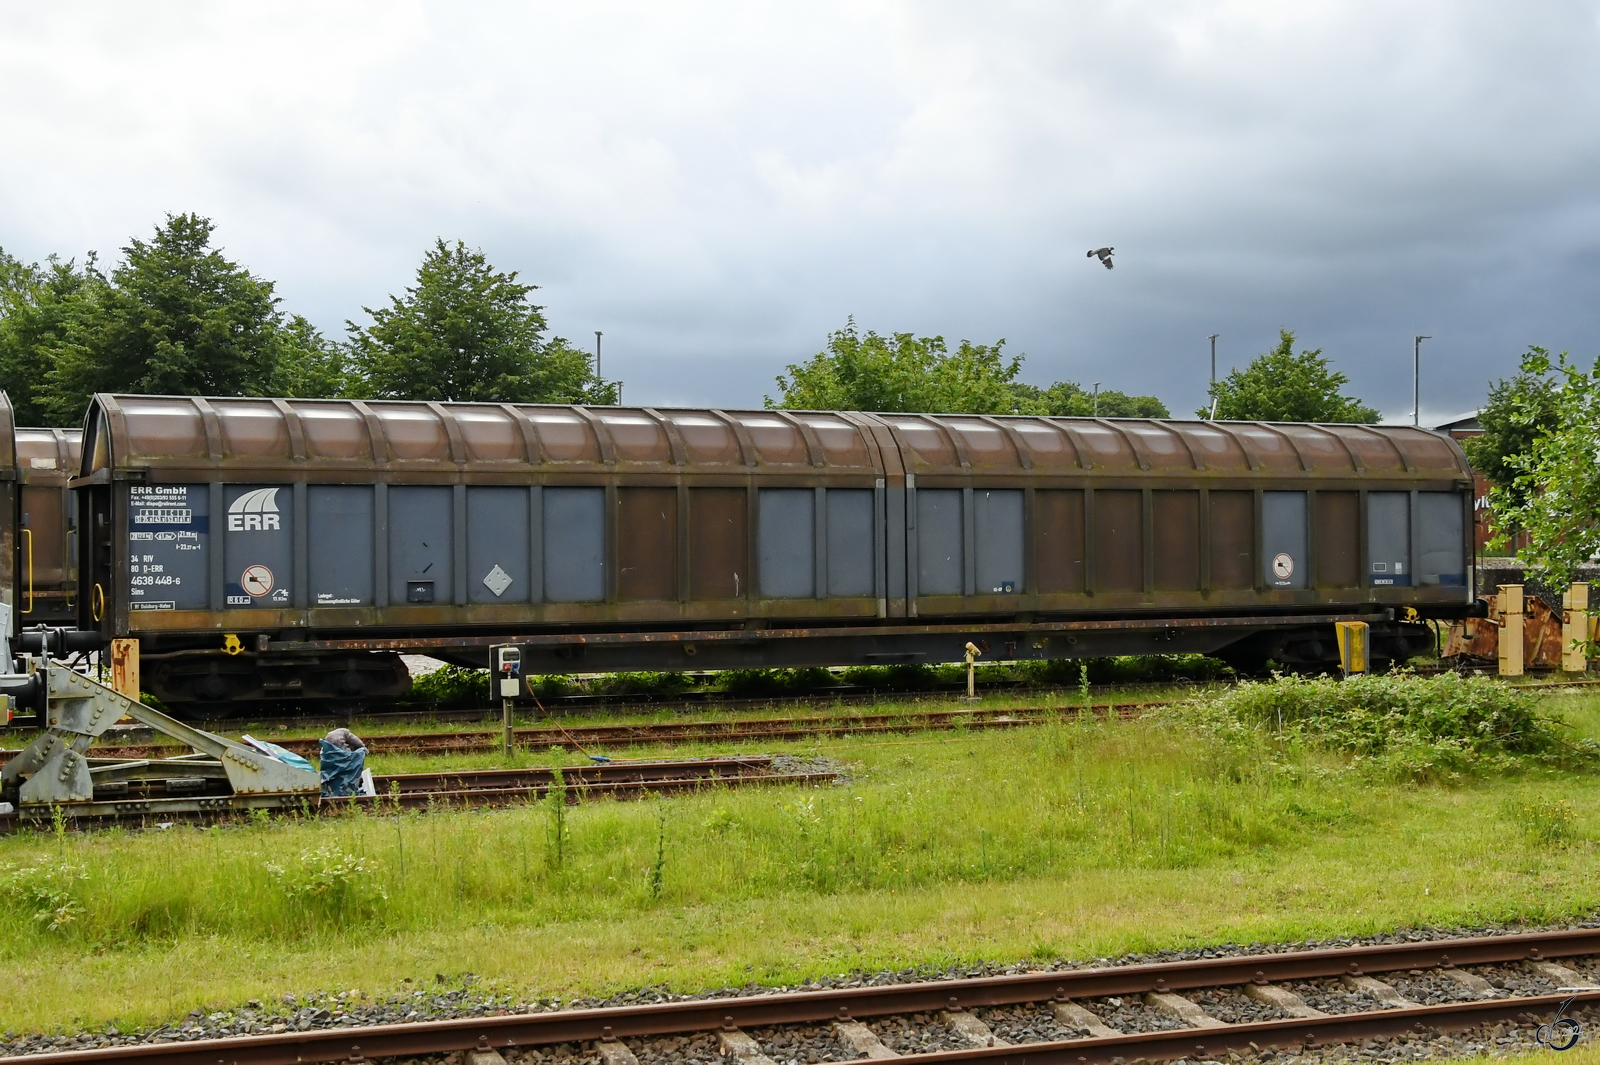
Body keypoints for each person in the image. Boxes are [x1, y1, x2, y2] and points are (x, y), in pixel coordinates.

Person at [319, 727, 368, 797]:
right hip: (338, 742)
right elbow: (356, 741)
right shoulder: (347, 734)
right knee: (349, 757)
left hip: (329, 744)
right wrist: (363, 748)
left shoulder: (332, 733)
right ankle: (346, 790)